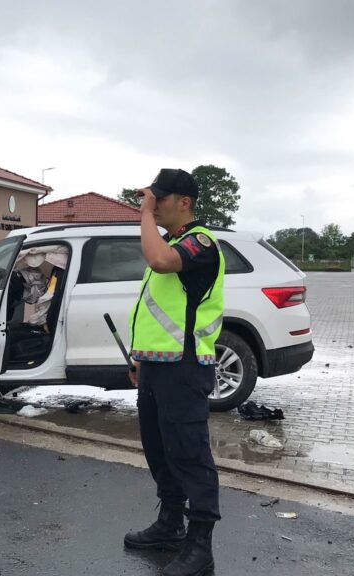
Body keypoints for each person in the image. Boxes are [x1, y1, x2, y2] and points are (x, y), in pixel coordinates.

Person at [124, 168, 224, 576]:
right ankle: (170, 524)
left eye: (160, 199)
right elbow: (157, 308)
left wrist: (144, 214)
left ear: (185, 202)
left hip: (184, 368)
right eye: (152, 199)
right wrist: (140, 357)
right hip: (156, 365)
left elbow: (161, 262)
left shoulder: (200, 242)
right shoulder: (173, 241)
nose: (153, 205)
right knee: (160, 450)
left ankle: (200, 546)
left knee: (190, 454)